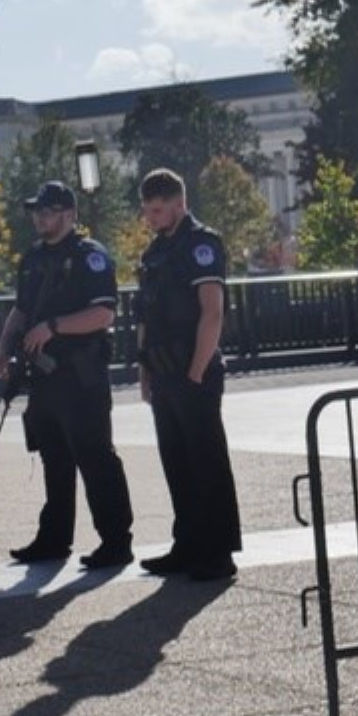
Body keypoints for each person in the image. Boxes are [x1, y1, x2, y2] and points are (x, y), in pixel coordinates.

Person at [0, 181, 133, 569]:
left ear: (70, 215)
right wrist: (4, 348)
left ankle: (116, 541)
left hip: (81, 376)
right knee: (54, 459)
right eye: (37, 211)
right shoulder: (33, 258)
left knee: (95, 458)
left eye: (49, 210)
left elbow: (104, 314)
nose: (40, 217)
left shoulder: (90, 256)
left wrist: (54, 327)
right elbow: (21, 311)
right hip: (45, 379)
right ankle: (54, 538)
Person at [134, 168, 242, 581]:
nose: (151, 217)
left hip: (193, 370)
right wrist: (144, 372)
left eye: (158, 210)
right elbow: (145, 315)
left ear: (180, 204)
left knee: (206, 461)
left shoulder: (201, 244)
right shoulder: (155, 252)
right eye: (147, 210)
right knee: (176, 461)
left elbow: (212, 310)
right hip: (163, 372)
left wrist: (197, 369)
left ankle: (218, 552)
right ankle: (189, 544)